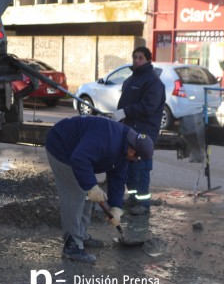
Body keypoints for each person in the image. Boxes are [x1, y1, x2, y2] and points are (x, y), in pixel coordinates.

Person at [45, 116, 155, 263]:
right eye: (136, 157)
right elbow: (79, 159)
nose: (135, 160)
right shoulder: (108, 139)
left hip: (78, 153)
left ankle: (81, 235)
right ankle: (71, 245)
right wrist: (91, 186)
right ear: (132, 149)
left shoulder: (125, 149)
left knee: (89, 197)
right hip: (62, 147)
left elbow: (118, 179)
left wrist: (116, 207)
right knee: (75, 195)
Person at [113, 46, 165, 216]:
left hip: (145, 132)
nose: (136, 60)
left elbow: (149, 107)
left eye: (140, 57)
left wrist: (125, 112)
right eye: (135, 57)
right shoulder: (131, 80)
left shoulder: (153, 82)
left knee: (142, 167)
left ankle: (144, 204)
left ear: (148, 60)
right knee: (129, 166)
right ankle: (134, 198)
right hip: (129, 128)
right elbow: (125, 103)